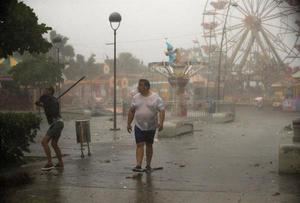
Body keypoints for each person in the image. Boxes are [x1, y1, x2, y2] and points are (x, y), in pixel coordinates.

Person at [127, 79, 165, 172]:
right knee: (139, 144)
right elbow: (131, 111)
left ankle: (148, 165)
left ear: (146, 87)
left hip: (151, 126)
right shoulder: (136, 97)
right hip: (139, 125)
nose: (138, 87)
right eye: (138, 85)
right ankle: (138, 165)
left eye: (140, 85)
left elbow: (162, 110)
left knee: (149, 145)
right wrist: (128, 123)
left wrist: (161, 123)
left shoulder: (156, 97)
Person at [35, 86, 64, 171]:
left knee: (44, 142)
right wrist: (39, 104)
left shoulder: (52, 100)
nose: (44, 90)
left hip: (57, 123)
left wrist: (45, 104)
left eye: (46, 89)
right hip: (58, 123)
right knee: (54, 144)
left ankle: (49, 163)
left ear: (50, 91)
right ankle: (61, 163)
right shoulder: (49, 100)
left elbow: (54, 111)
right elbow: (43, 104)